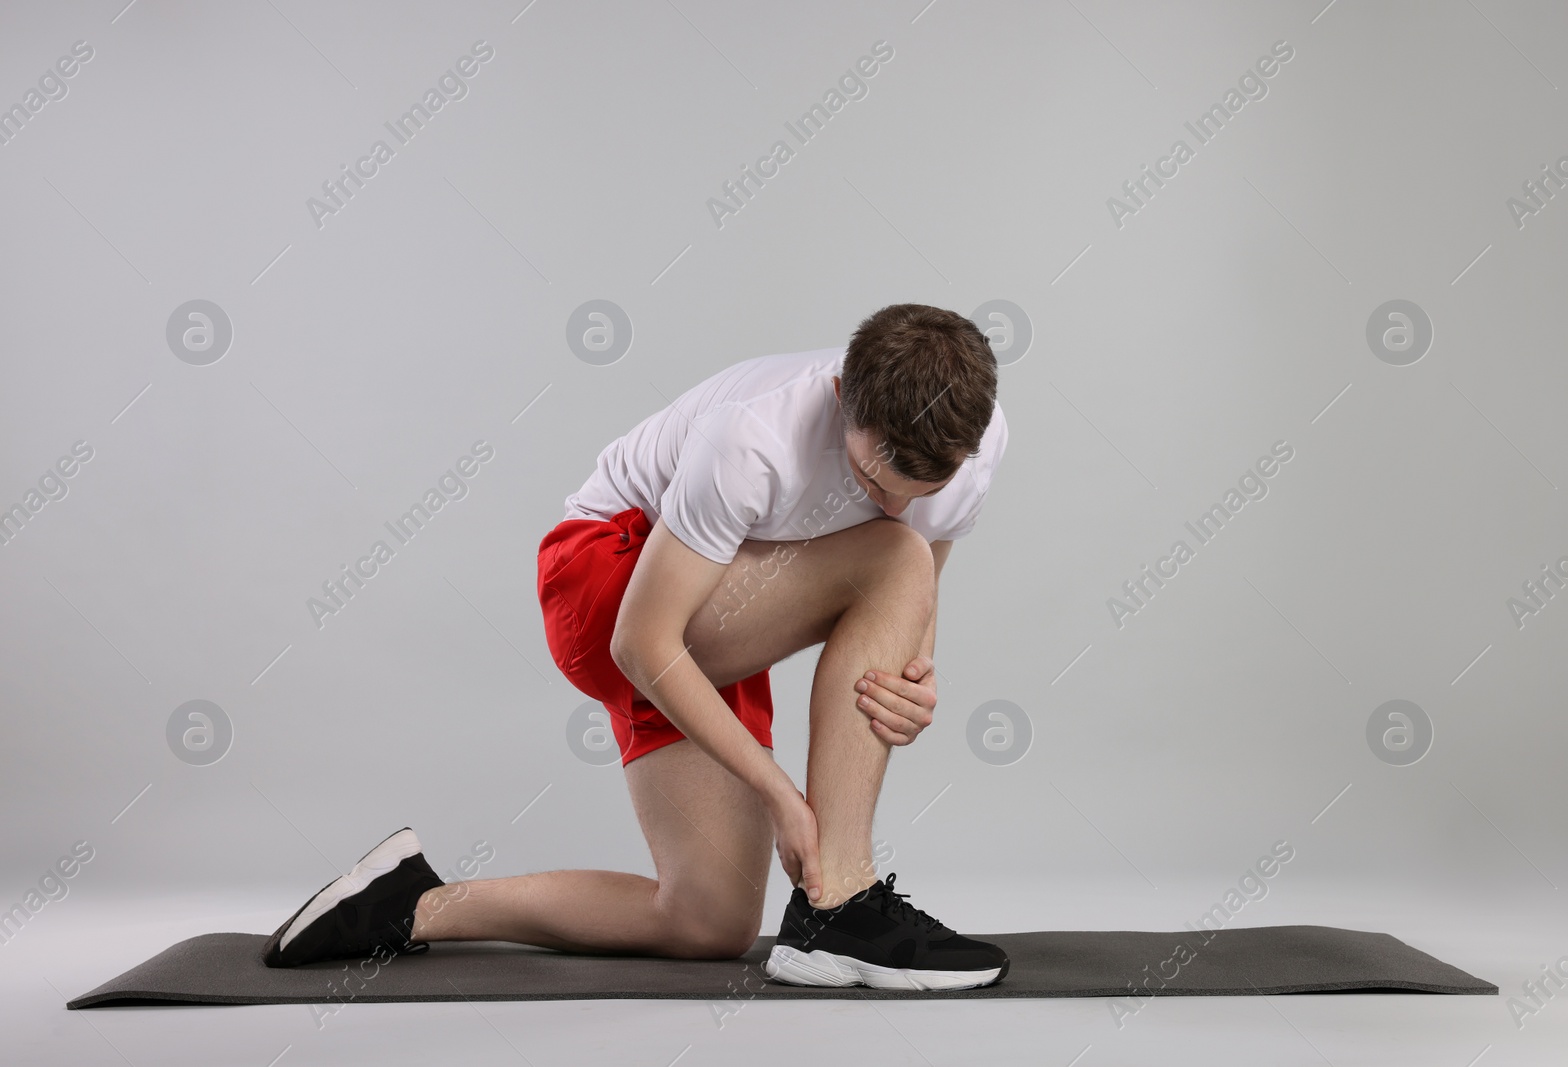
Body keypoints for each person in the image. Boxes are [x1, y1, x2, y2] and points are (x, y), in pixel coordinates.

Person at [262, 303, 1011, 990]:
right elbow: (640, 641)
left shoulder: (974, 443)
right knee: (893, 554)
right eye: (872, 476)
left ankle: (407, 904)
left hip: (721, 594)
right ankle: (840, 901)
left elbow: (913, 605)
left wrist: (916, 679)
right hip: (610, 583)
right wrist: (782, 796)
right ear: (845, 393)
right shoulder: (753, 434)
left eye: (923, 486)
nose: (894, 504)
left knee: (708, 921)